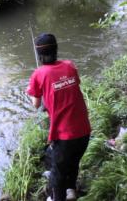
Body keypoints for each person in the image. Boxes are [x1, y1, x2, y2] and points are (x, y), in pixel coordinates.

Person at [26, 33, 91, 201]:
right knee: (73, 161)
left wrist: (30, 92)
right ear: (56, 50)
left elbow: (35, 103)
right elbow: (71, 86)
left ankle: (58, 197)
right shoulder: (70, 66)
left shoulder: (38, 74)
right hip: (84, 131)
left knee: (57, 174)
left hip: (65, 137)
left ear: (39, 55)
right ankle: (71, 190)